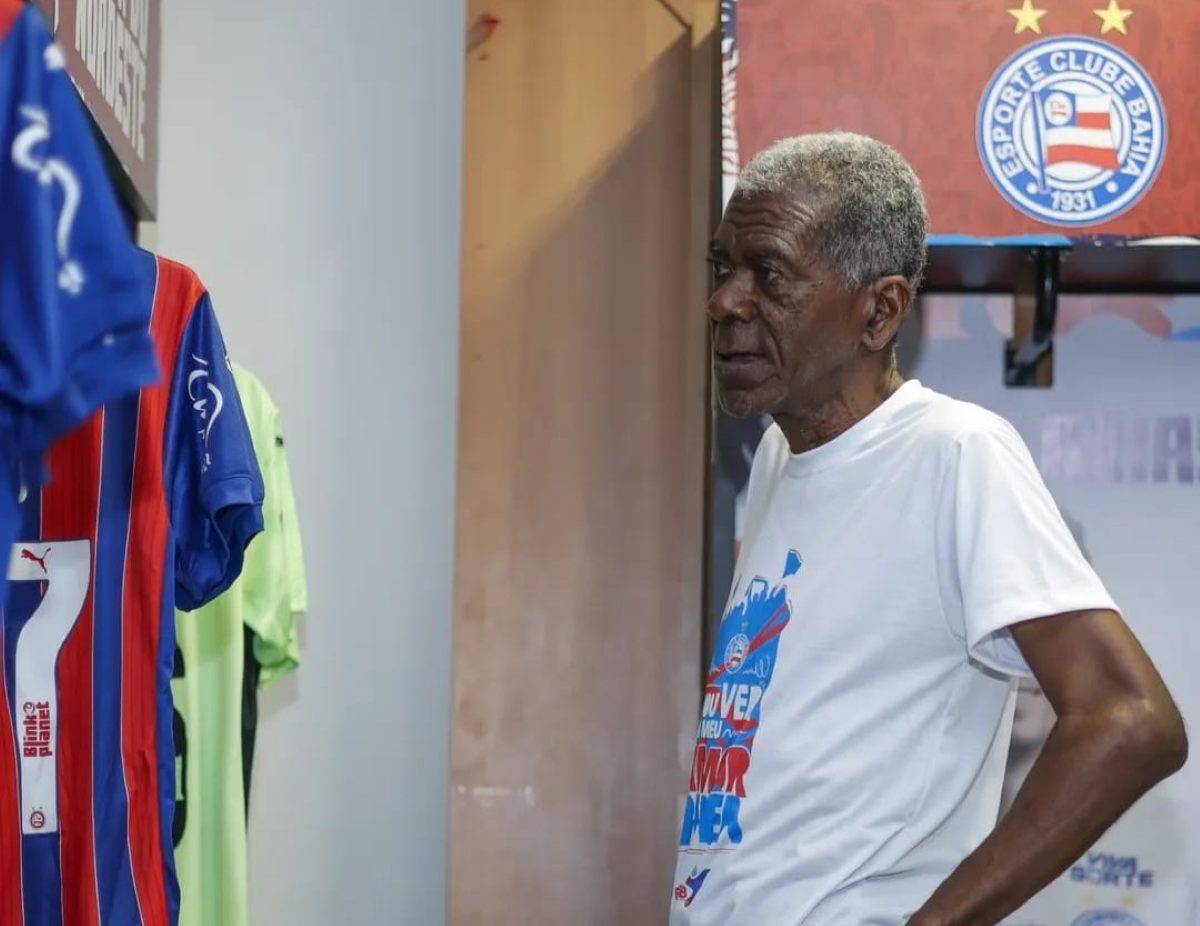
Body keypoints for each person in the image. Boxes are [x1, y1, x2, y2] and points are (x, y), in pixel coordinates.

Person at [670, 132, 1187, 926]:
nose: (725, 301)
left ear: (880, 311)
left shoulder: (953, 453)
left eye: (768, 274)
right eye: (722, 269)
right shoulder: (779, 456)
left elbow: (1131, 721)